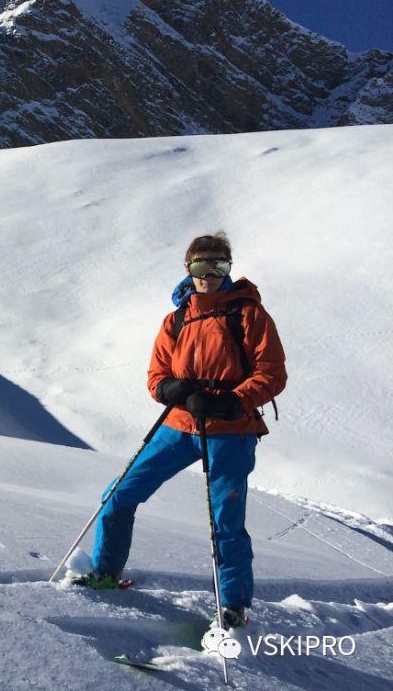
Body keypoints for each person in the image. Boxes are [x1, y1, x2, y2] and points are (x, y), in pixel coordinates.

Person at [81, 231, 287, 629]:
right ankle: (104, 573)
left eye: (217, 266)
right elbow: (156, 371)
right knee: (119, 494)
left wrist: (232, 401)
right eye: (200, 266)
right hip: (179, 424)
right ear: (188, 269)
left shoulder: (249, 314)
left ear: (228, 268)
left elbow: (272, 374)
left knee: (224, 521)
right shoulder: (177, 317)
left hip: (231, 428)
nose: (208, 274)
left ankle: (234, 607)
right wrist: (167, 388)